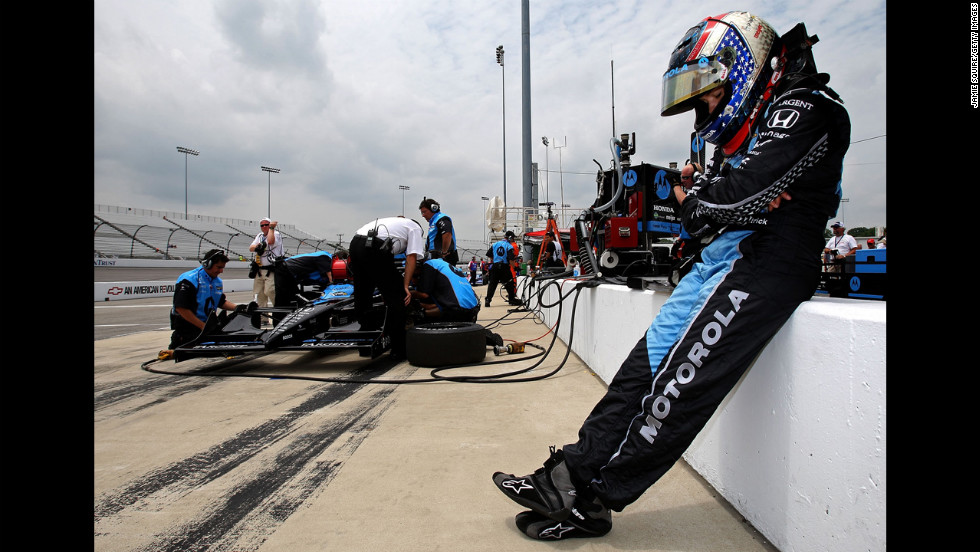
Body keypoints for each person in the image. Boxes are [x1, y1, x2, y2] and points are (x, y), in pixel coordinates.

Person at [491, 10, 850, 540]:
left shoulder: (810, 107)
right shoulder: (758, 124)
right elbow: (709, 211)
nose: (702, 112)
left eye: (704, 96)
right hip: (723, 260)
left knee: (678, 384)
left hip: (767, 263)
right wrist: (719, 201)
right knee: (640, 370)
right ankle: (567, 475)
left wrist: (717, 200)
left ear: (740, 69)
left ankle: (593, 497)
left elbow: (731, 198)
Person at [348, 216, 426, 359]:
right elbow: (411, 257)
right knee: (399, 297)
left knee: (363, 293)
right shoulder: (415, 228)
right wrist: (405, 286)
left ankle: (364, 342)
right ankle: (399, 349)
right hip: (374, 248)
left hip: (355, 243)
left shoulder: (395, 224)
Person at [166, 249, 253, 354]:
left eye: (222, 268)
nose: (221, 271)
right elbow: (181, 308)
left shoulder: (217, 281)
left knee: (240, 344)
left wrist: (238, 308)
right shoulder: (189, 279)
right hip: (189, 328)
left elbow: (220, 302)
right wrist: (203, 327)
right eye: (219, 267)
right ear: (207, 264)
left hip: (207, 327)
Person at [410, 250, 481, 322]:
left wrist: (408, 294)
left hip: (457, 310)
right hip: (473, 309)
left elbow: (424, 294)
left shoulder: (430, 264)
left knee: (418, 314)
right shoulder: (448, 266)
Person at [249, 217, 284, 308]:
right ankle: (262, 318)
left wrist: (271, 229)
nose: (264, 227)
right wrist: (258, 246)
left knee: (270, 291)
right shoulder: (260, 236)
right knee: (258, 294)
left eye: (266, 225)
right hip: (260, 269)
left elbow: (270, 241)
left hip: (272, 269)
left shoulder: (276, 234)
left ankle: (279, 310)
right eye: (262, 225)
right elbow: (251, 248)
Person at [485, 231, 521, 307]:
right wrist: (516, 267)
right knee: (510, 283)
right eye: (513, 238)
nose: (513, 240)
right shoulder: (509, 246)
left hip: (495, 266)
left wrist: (495, 259)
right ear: (510, 237)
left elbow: (488, 254)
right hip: (504, 267)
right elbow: (511, 259)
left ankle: (488, 300)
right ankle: (511, 299)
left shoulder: (495, 244)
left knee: (492, 284)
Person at [419, 198, 459, 266]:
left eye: (424, 212)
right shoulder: (434, 221)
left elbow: (447, 234)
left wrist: (443, 253)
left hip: (444, 258)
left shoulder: (442, 218)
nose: (423, 215)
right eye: (422, 213)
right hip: (436, 257)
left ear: (433, 209)